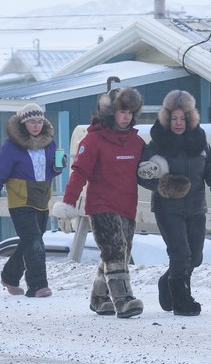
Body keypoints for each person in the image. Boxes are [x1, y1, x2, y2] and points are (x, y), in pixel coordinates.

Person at [52, 78, 145, 318]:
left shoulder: (137, 142)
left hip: (127, 206)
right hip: (102, 206)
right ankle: (123, 300)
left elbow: (145, 172)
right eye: (121, 111)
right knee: (115, 251)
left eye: (130, 112)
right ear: (110, 113)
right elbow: (79, 173)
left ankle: (99, 297)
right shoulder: (93, 140)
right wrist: (69, 202)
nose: (126, 117)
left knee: (119, 253)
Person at [138, 90, 211, 316]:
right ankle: (182, 300)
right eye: (174, 118)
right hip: (168, 208)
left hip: (196, 208)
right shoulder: (157, 144)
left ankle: (168, 281)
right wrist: (164, 185)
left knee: (195, 258)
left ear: (190, 118)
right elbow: (142, 174)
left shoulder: (200, 143)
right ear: (166, 118)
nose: (178, 123)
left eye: (183, 118)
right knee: (181, 255)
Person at [0, 102, 62, 298]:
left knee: (30, 241)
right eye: (32, 122)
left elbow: (49, 171)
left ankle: (9, 276)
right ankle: (38, 285)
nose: (36, 125)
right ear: (23, 123)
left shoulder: (49, 143)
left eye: (40, 121)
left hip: (42, 198)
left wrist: (57, 168)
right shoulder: (12, 146)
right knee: (34, 241)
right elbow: (0, 174)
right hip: (20, 201)